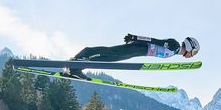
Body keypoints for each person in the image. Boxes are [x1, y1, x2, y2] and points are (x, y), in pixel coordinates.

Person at [64, 34, 200, 79]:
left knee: (108, 54)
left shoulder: (174, 51)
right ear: (189, 47)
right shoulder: (174, 45)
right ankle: (76, 65)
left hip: (137, 51)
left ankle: (77, 63)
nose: (192, 56)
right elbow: (154, 40)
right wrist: (135, 37)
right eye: (193, 53)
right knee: (109, 56)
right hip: (137, 48)